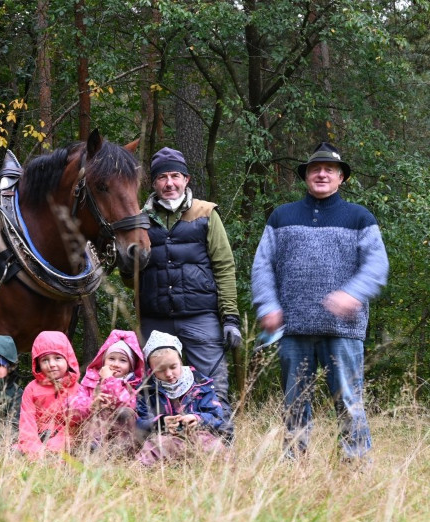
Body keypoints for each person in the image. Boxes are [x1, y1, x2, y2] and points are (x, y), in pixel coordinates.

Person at [251, 142, 389, 461]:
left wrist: (352, 294)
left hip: (343, 331)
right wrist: (268, 305)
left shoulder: (360, 217)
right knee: (294, 405)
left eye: (329, 169)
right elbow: (262, 266)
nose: (322, 173)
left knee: (348, 402)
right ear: (306, 176)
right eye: (316, 169)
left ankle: (355, 466)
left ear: (341, 178)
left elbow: (377, 265)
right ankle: (293, 466)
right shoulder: (281, 216)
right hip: (293, 330)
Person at [133, 147, 242, 400]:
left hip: (200, 316)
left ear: (186, 179)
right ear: (153, 182)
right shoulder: (139, 219)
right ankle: (161, 440)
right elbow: (131, 279)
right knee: (154, 391)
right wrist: (129, 263)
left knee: (212, 387)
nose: (169, 183)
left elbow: (224, 267)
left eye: (175, 176)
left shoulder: (206, 213)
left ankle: (219, 437)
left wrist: (230, 318)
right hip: (155, 319)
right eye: (162, 177)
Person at [135, 331, 230, 467]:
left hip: (198, 435)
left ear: (180, 360)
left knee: (215, 447)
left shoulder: (200, 384)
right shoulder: (146, 390)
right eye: (160, 370)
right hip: (163, 438)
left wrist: (197, 419)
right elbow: (139, 422)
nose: (168, 374)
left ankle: (223, 471)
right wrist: (160, 422)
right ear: (151, 369)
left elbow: (217, 416)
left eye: (173, 367)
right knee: (153, 449)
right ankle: (141, 474)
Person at [70, 329, 144, 455]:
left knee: (125, 413)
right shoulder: (91, 382)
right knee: (97, 413)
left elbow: (126, 404)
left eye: (123, 360)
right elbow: (74, 409)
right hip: (94, 437)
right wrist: (91, 405)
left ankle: (119, 454)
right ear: (103, 361)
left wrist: (109, 379)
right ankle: (91, 450)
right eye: (111, 358)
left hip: (122, 439)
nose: (116, 364)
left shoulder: (132, 384)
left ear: (131, 366)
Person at [16, 331, 85, 458]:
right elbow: (27, 422)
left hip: (66, 440)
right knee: (14, 452)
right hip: (38, 437)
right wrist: (33, 448)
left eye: (58, 358)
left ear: (68, 359)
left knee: (59, 450)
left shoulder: (79, 389)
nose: (52, 364)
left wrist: (54, 445)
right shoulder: (32, 388)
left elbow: (78, 426)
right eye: (45, 360)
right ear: (37, 363)